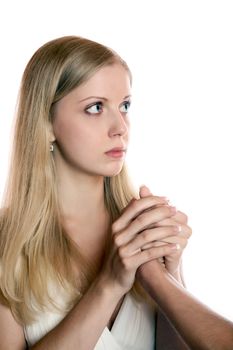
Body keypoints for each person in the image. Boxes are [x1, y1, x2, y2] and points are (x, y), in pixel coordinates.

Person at [0, 35, 231, 350]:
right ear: (46, 123)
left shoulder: (142, 228)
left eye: (125, 105)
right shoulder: (7, 241)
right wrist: (109, 284)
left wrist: (170, 273)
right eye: (95, 107)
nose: (120, 126)